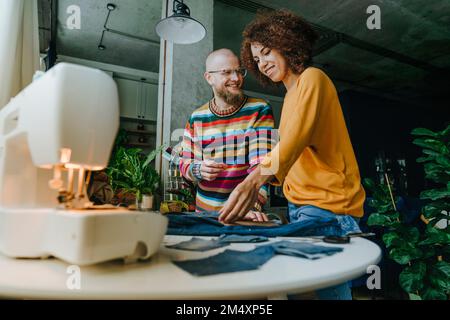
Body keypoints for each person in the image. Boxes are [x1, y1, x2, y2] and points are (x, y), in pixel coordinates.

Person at [218, 10, 366, 299]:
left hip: (328, 209)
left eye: (266, 52)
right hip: (302, 208)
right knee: (299, 293)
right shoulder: (289, 98)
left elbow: (292, 143)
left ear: (287, 44)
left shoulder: (313, 78)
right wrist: (260, 197)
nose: (262, 63)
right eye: (257, 59)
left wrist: (251, 183)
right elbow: (289, 158)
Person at [179, 48, 275, 221]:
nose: (236, 78)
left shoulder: (260, 109)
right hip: (205, 216)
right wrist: (198, 169)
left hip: (244, 214)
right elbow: (185, 163)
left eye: (239, 71)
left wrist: (250, 207)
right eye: (227, 72)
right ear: (209, 78)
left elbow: (264, 166)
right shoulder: (196, 117)